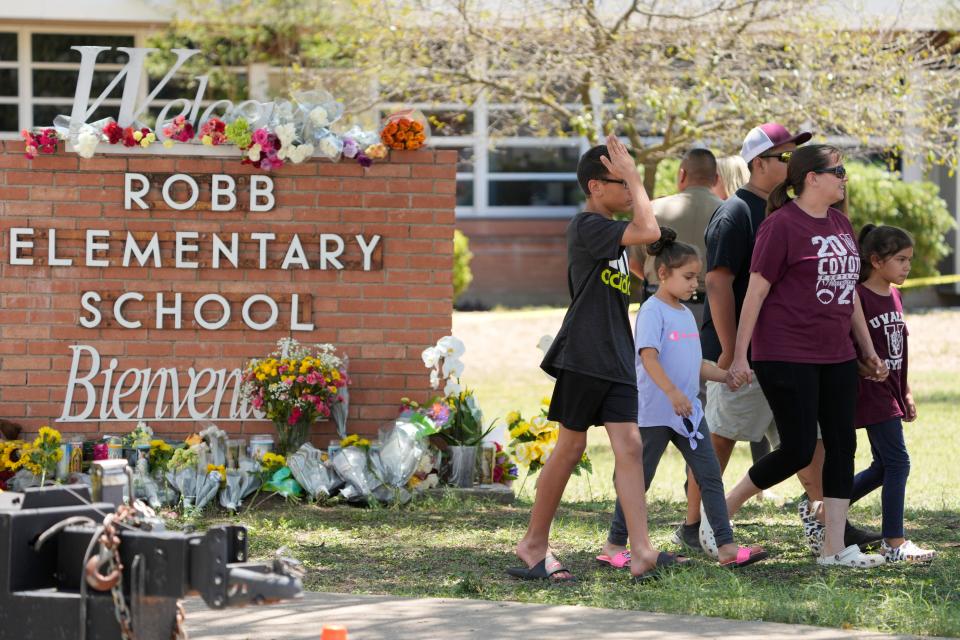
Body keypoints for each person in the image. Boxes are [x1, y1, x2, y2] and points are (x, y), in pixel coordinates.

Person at [508, 134, 677, 583]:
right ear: (595, 187)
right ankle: (532, 545)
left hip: (617, 355)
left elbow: (646, 253)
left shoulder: (613, 239)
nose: (627, 190)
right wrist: (638, 180)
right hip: (584, 352)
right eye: (618, 182)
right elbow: (649, 230)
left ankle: (640, 551)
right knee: (571, 447)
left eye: (628, 183)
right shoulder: (587, 226)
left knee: (630, 446)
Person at [722, 144, 888, 567]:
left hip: (835, 353)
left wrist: (865, 349)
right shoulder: (780, 226)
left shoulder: (841, 223)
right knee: (797, 449)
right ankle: (721, 511)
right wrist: (741, 356)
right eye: (839, 170)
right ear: (811, 177)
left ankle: (835, 548)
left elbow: (849, 293)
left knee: (841, 444)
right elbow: (755, 293)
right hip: (785, 352)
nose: (844, 177)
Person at [679, 123, 817, 549]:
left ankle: (830, 519)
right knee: (721, 435)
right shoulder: (735, 212)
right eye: (785, 157)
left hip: (784, 351)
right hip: (744, 354)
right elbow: (718, 283)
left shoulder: (785, 212)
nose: (793, 165)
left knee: (807, 439)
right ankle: (692, 525)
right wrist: (729, 349)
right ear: (759, 164)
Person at [597, 227, 768, 570]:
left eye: (697, 277)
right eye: (688, 277)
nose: (695, 284)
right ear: (663, 274)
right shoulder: (652, 311)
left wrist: (725, 375)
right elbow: (648, 357)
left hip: (689, 415)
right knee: (639, 480)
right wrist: (673, 393)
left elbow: (694, 363)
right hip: (654, 414)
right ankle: (614, 545)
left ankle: (726, 547)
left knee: (709, 476)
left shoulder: (686, 315)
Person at [849, 224, 936, 563]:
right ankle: (894, 542)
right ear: (875, 260)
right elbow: (852, 347)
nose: (906, 267)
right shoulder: (860, 296)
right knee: (899, 461)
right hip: (871, 392)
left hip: (892, 391)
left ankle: (822, 507)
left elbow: (899, 348)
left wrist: (907, 391)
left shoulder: (895, 295)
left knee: (884, 466)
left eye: (909, 260)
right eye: (900, 259)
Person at [635, 149, 722, 327]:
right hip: (713, 310)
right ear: (716, 179)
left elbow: (635, 263)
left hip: (659, 304)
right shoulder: (730, 213)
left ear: (682, 175)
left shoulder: (653, 209)